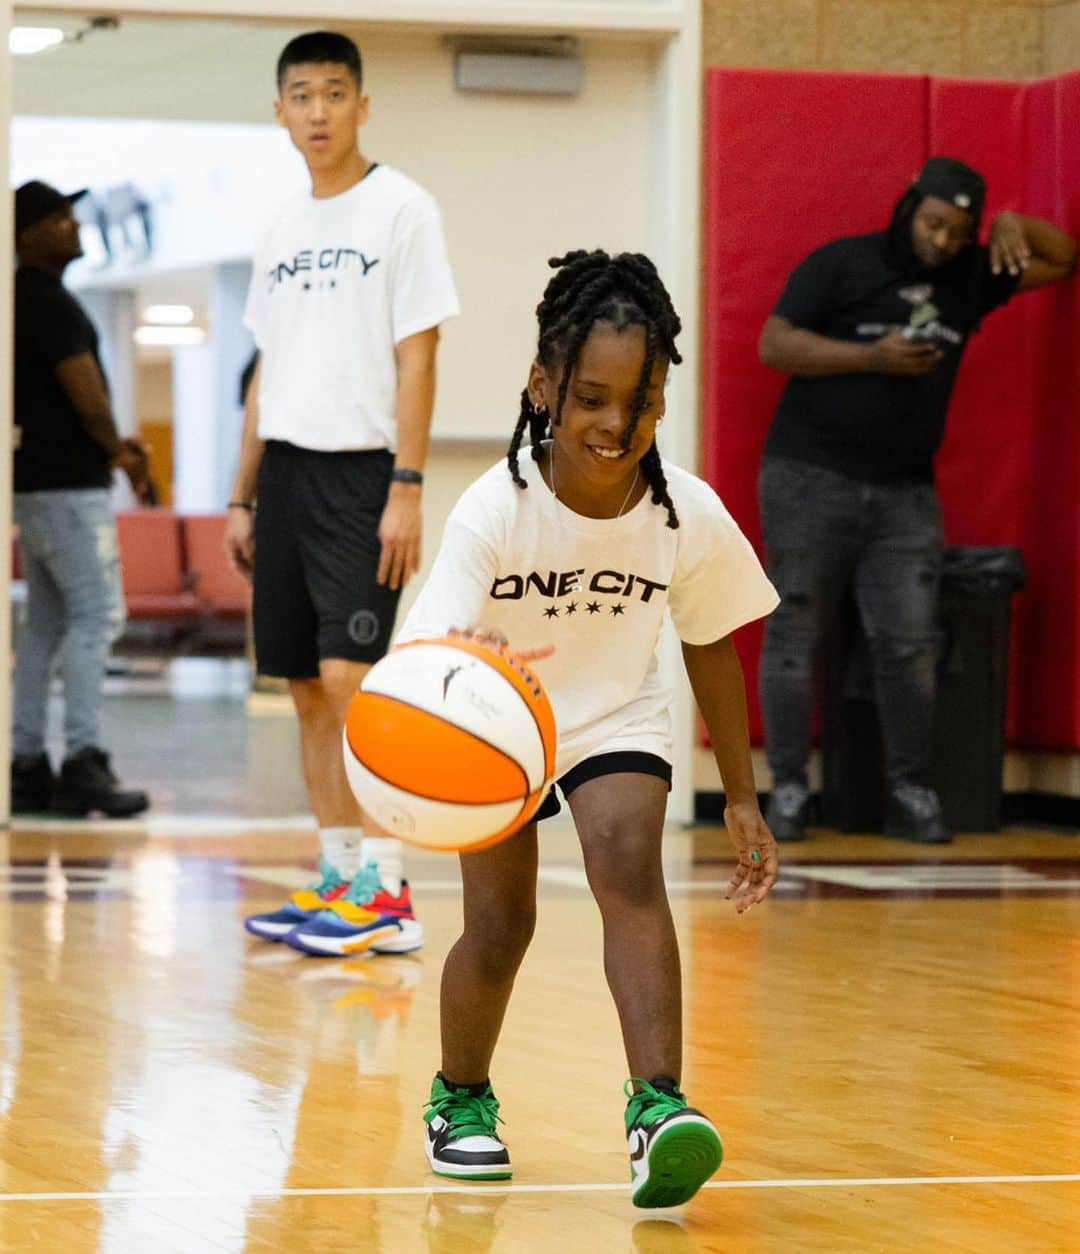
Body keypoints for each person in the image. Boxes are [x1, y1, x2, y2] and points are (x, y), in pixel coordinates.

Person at [291, 250, 779, 1204]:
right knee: (500, 922)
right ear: (544, 387)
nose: (615, 424)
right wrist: (477, 669)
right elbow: (429, 644)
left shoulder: (686, 513)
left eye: (639, 403)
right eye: (592, 398)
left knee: (628, 858)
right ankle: (460, 1098)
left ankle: (657, 1108)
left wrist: (745, 799)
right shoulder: (496, 507)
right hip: (493, 724)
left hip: (613, 716)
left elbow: (712, 643)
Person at [757, 156, 1076, 845]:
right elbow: (774, 345)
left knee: (909, 645)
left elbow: (1065, 258)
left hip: (905, 493)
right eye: (934, 223)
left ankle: (912, 791)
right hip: (809, 476)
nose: (942, 241)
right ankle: (786, 789)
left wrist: (1014, 224)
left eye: (959, 231)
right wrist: (871, 358)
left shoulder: (969, 277)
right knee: (794, 633)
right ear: (909, 209)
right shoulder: (842, 264)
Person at [228, 32, 459, 952]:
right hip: (284, 470)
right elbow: (264, 369)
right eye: (300, 95)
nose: (316, 110)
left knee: (352, 679)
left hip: (365, 473)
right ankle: (337, 882)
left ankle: (390, 893)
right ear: (279, 111)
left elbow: (419, 355)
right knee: (302, 685)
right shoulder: (279, 225)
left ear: (363, 105)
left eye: (333, 93)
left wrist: (407, 483)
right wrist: (240, 495)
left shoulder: (403, 210)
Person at [10, 181, 151, 818]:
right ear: (26, 234)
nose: (74, 225)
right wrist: (120, 453)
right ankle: (84, 763)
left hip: (33, 488)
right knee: (98, 618)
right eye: (58, 218)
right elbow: (86, 393)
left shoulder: (17, 300)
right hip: (70, 488)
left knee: (45, 626)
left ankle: (26, 765)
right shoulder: (50, 303)